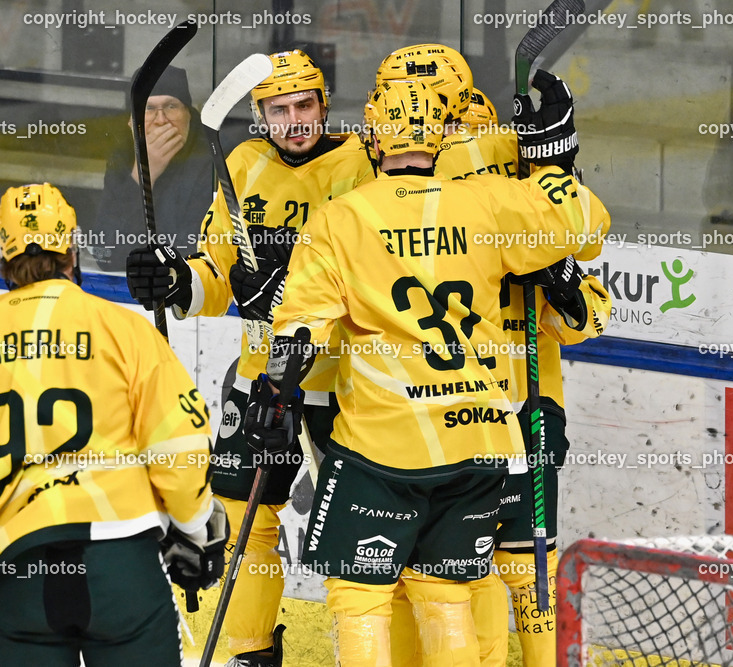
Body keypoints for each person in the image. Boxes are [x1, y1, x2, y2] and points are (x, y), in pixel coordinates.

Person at [254, 75, 610, 666]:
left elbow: (300, 326)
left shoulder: (342, 217)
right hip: (480, 441)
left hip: (384, 445)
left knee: (359, 596)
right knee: (447, 595)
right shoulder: (489, 201)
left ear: (372, 131)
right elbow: (587, 224)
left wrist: (276, 397)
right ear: (444, 133)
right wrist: (555, 155)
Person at [0, 183, 228, 667]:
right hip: (119, 568)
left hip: (13, 579)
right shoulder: (123, 331)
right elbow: (179, 445)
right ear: (72, 247)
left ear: (1, 256)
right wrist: (195, 532)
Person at [125, 49, 374, 666]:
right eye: (279, 109)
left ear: (324, 104)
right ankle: (251, 655)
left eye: (305, 105)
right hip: (262, 381)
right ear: (261, 116)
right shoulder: (243, 164)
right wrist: (179, 283)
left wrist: (292, 291)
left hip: (343, 387)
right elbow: (220, 269)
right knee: (241, 520)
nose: (294, 120)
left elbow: (379, 279)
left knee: (360, 541)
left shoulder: (364, 167)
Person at [378, 43, 613, 667]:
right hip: (432, 408)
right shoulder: (379, 165)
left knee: (529, 564)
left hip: (522, 398)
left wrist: (550, 160)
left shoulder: (507, 147)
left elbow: (588, 290)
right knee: (454, 569)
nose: (415, 112)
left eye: (428, 99)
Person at [92, 65, 214, 270]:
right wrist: (143, 175)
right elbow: (106, 253)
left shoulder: (212, 159)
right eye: (148, 108)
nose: (161, 120)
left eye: (171, 106)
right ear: (132, 121)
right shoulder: (123, 156)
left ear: (189, 114)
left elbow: (193, 255)